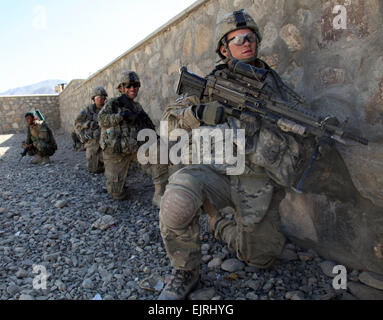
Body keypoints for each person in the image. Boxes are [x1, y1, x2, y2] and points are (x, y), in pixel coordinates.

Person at [158, 9, 308, 300]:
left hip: (257, 181)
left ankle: (217, 221)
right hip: (214, 174)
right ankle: (185, 271)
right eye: (238, 39)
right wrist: (196, 113)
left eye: (250, 37)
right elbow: (168, 124)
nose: (246, 42)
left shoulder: (276, 89)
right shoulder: (210, 85)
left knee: (261, 259)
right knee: (176, 199)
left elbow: (298, 126)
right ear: (224, 49)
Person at [98, 71, 168, 205]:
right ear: (121, 88)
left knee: (160, 151)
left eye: (136, 85)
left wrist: (157, 140)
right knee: (117, 194)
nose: (132, 89)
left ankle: (159, 194)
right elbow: (101, 120)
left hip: (135, 148)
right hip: (116, 152)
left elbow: (147, 126)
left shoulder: (137, 107)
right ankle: (120, 180)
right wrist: (120, 116)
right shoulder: (113, 104)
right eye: (129, 85)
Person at [74, 87, 108, 173]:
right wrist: (88, 124)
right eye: (98, 97)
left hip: (107, 140)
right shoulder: (87, 111)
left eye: (102, 97)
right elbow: (77, 124)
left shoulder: (109, 109)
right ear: (93, 99)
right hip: (93, 141)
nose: (100, 99)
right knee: (93, 170)